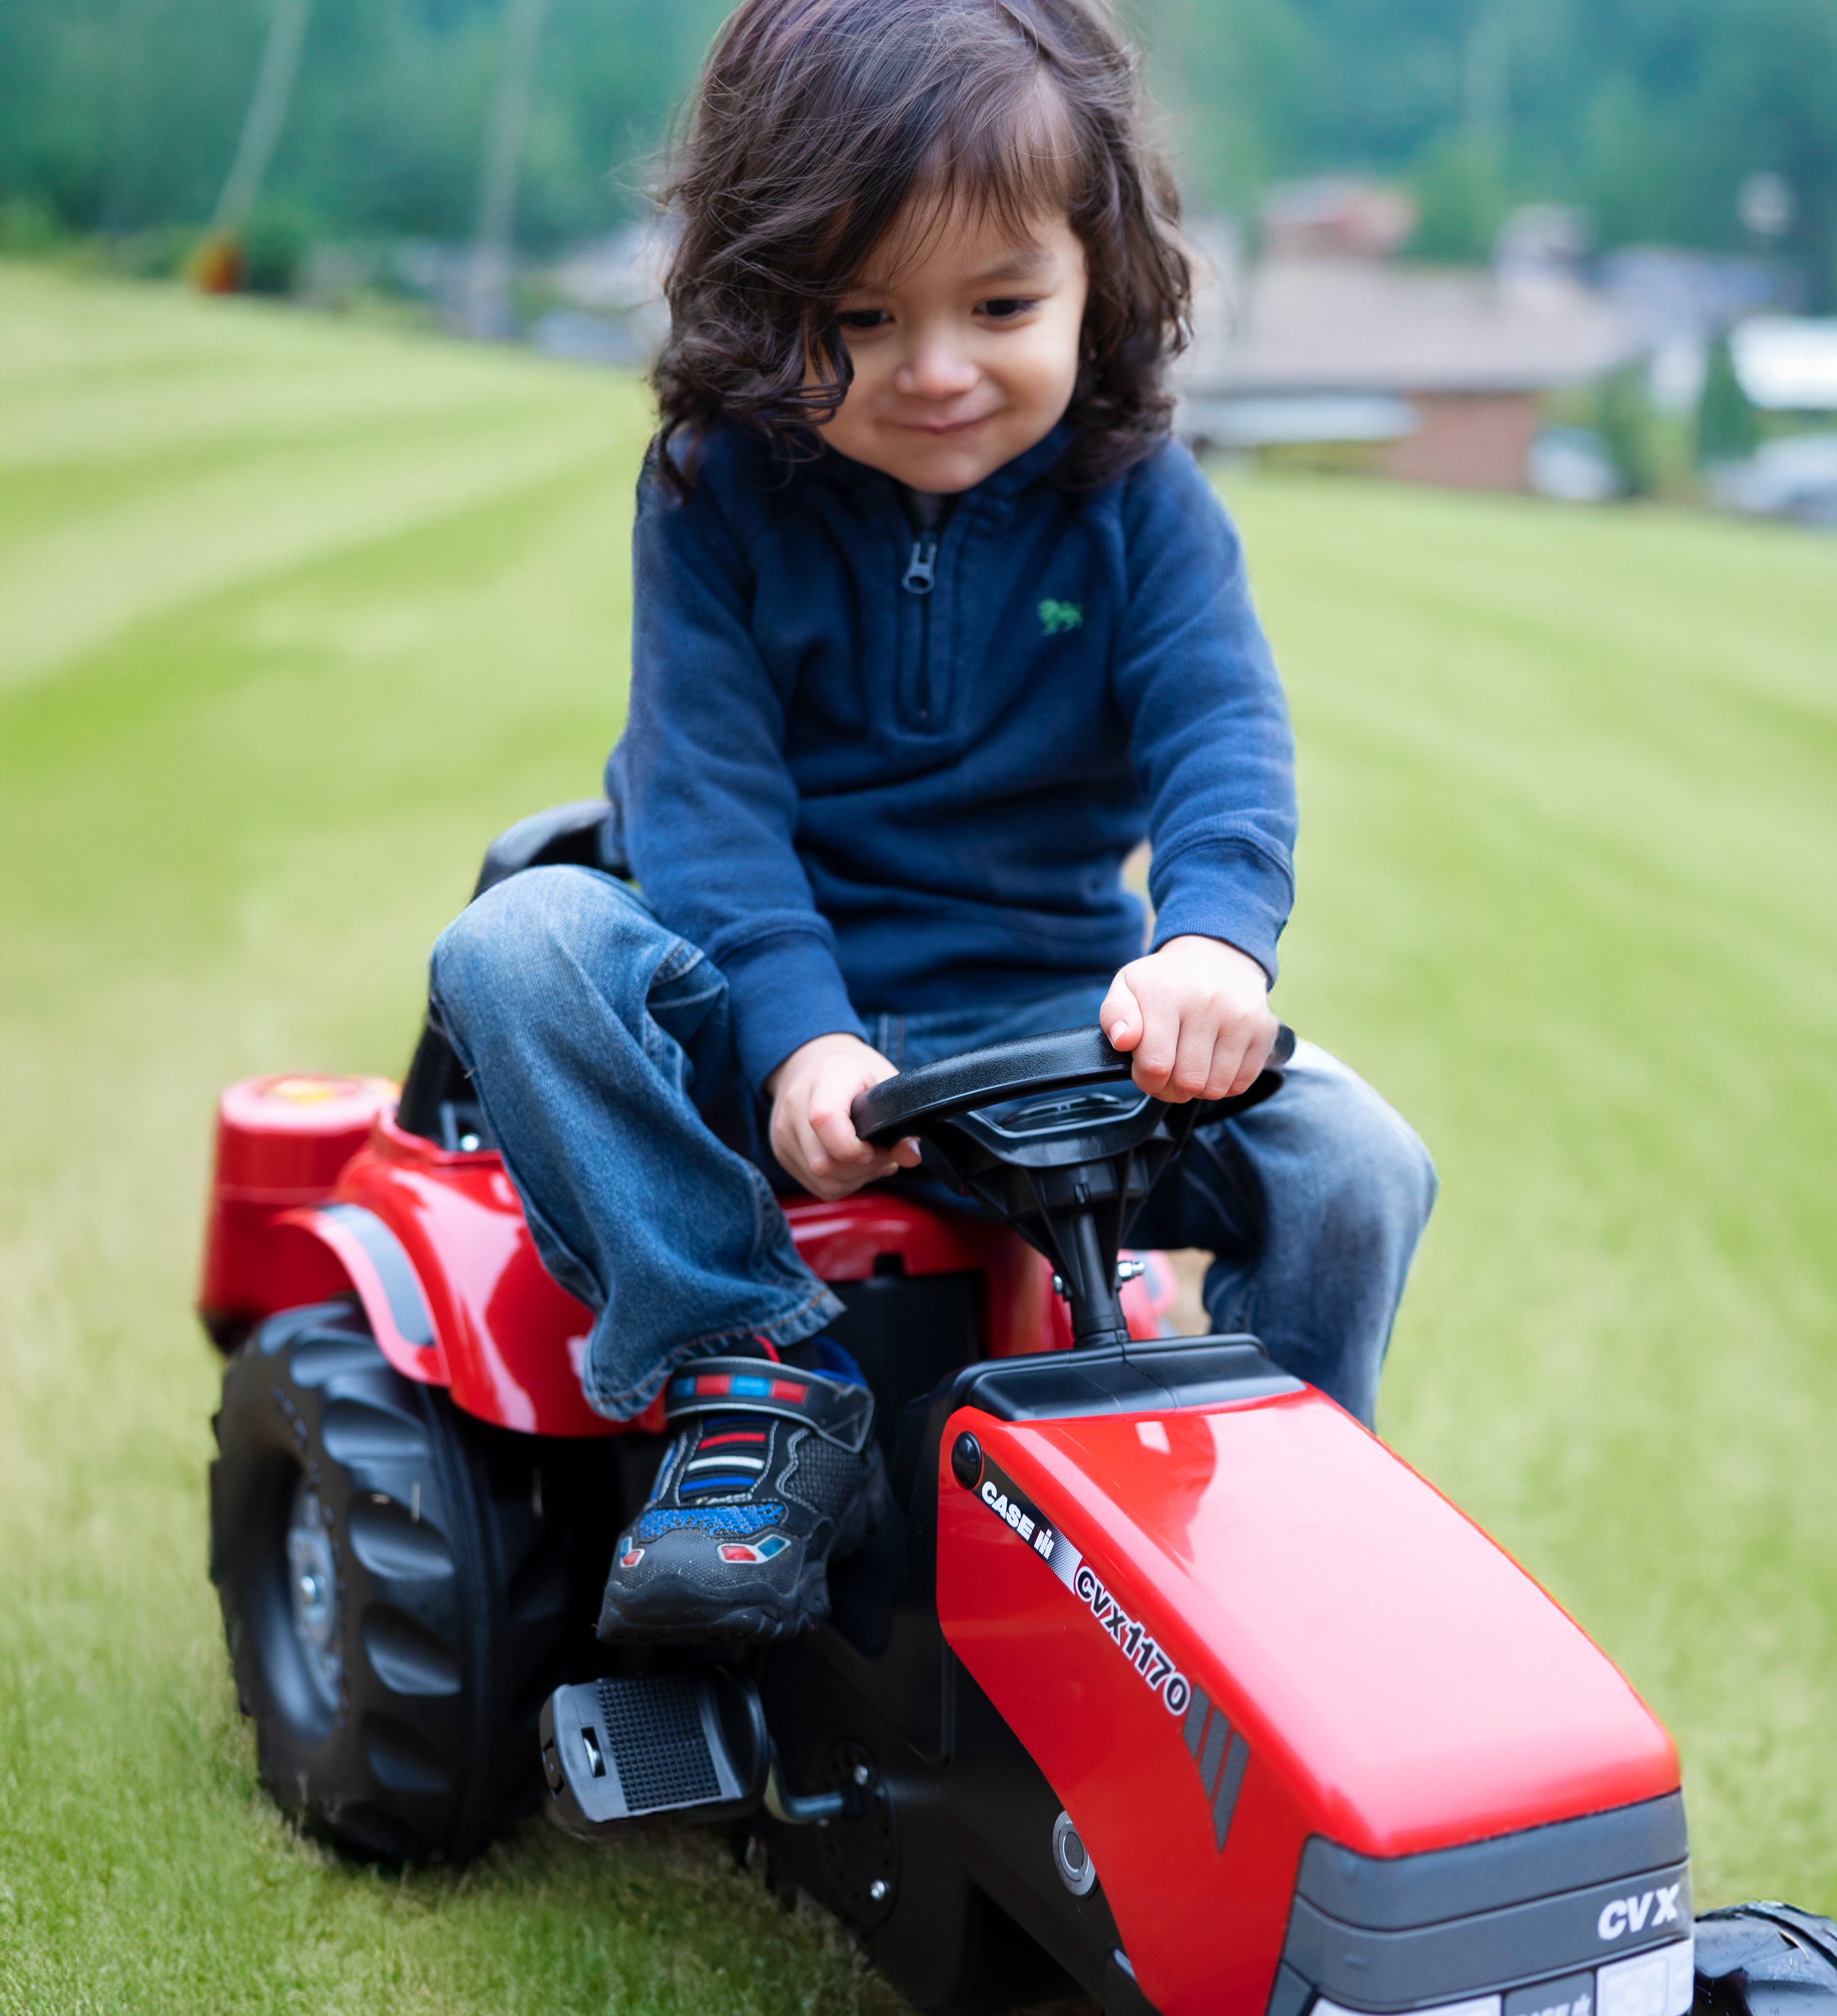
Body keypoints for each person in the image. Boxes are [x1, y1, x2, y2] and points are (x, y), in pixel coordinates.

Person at [431, 0, 1436, 1649]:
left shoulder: (1141, 506)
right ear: (764, 302)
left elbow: (1222, 738)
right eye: (864, 317)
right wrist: (797, 1042)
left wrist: (1208, 945)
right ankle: (750, 1364)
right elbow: (706, 803)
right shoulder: (712, 493)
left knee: (1355, 1159)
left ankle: (1278, 1502)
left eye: (1001, 304)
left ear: (1099, 272)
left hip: (1045, 1021)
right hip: (755, 1027)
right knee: (517, 947)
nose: (940, 369)